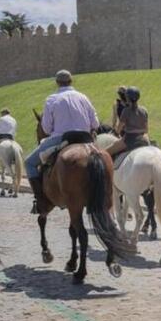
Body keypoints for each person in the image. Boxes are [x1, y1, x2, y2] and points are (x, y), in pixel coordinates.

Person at [24, 69, 100, 213]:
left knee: (29, 163)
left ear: (57, 83)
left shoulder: (52, 99)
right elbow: (95, 124)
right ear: (72, 81)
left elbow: (46, 128)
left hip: (61, 137)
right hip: (85, 138)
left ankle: (40, 201)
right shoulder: (83, 97)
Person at [106, 87, 149, 160]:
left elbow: (118, 130)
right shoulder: (144, 110)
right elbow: (146, 129)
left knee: (105, 152)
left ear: (127, 98)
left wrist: (116, 133)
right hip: (144, 139)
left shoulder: (126, 111)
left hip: (129, 139)